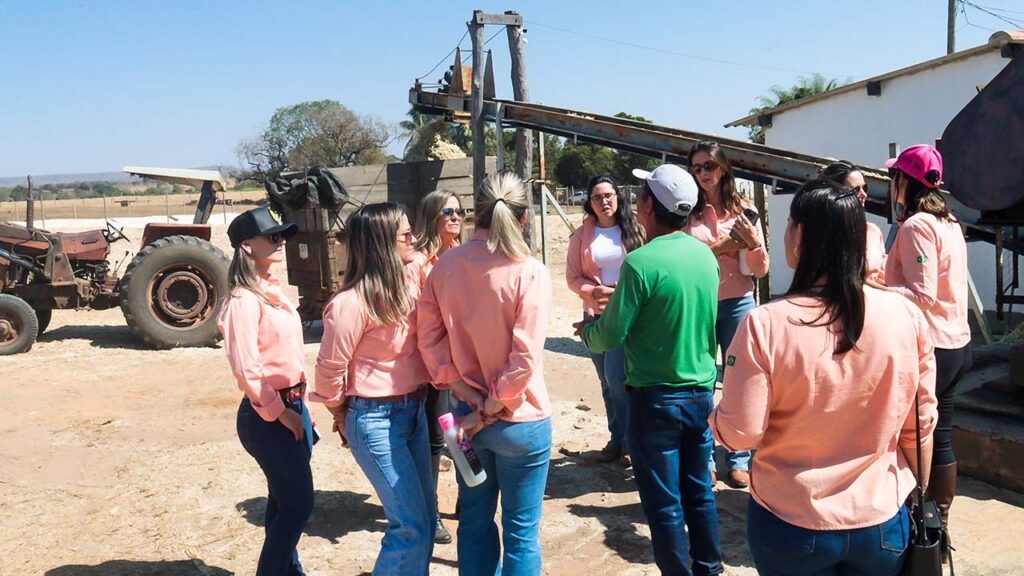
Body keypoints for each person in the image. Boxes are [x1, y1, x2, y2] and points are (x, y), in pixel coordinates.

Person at [710, 180, 938, 576]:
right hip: (881, 518)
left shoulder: (765, 324)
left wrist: (713, 420)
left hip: (791, 519)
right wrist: (917, 491)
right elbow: (919, 426)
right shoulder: (905, 316)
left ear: (798, 235)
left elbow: (740, 434)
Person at [577, 164, 724, 576]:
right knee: (699, 493)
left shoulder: (640, 264)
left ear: (648, 207)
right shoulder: (703, 257)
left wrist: (588, 331)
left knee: (664, 503)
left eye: (641, 194)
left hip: (654, 398)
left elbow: (611, 334)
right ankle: (710, 569)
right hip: (700, 394)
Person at [418, 172, 553, 576]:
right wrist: (494, 405)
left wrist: (467, 394)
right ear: (524, 218)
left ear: (475, 212)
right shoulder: (530, 270)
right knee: (522, 532)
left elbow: (428, 338)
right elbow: (524, 357)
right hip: (521, 421)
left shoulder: (445, 266)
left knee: (474, 523)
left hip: (463, 420)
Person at [311, 203, 435, 575]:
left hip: (414, 412)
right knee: (409, 525)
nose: (413, 239)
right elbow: (328, 372)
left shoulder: (410, 284)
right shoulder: (350, 305)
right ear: (382, 244)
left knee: (423, 520)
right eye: (405, 235)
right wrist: (340, 412)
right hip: (377, 420)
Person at [878, 144, 970, 531]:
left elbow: (923, 294)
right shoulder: (948, 222)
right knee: (940, 434)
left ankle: (922, 521)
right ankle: (938, 523)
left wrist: (875, 289)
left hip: (931, 347)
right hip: (956, 344)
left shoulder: (917, 226)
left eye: (894, 176)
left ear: (904, 182)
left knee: (915, 437)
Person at [217, 205, 313, 576]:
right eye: (272, 237)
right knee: (297, 506)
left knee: (282, 500)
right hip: (268, 415)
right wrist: (280, 410)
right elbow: (247, 369)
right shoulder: (244, 301)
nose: (280, 242)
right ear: (246, 246)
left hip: (290, 407)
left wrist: (297, 408)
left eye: (281, 236)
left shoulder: (269, 289)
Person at [684, 140, 767, 488]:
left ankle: (738, 457)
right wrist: (725, 246)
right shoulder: (686, 211)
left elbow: (760, 269)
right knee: (700, 381)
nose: (703, 173)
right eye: (697, 167)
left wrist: (752, 244)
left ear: (723, 168)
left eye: (709, 166)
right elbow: (685, 259)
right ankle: (705, 458)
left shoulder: (746, 210)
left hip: (739, 302)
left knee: (739, 381)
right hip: (698, 303)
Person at [565, 175, 644, 466]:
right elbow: (572, 277)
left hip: (630, 312)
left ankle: (631, 440)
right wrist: (591, 291)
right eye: (597, 197)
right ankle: (618, 438)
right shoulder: (581, 235)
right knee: (606, 380)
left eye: (609, 195)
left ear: (619, 197)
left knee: (618, 377)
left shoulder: (635, 229)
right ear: (589, 202)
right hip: (596, 314)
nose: (604, 201)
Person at [411, 189, 465, 545]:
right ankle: (430, 515)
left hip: (465, 361)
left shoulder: (463, 256)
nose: (456, 217)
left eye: (460, 211)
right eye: (448, 211)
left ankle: (469, 497)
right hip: (434, 365)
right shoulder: (418, 263)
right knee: (438, 438)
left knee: (462, 434)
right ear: (432, 217)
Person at [820, 160, 887, 283]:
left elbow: (884, 274)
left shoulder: (872, 231)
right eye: (855, 190)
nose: (864, 195)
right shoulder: (823, 233)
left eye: (864, 188)